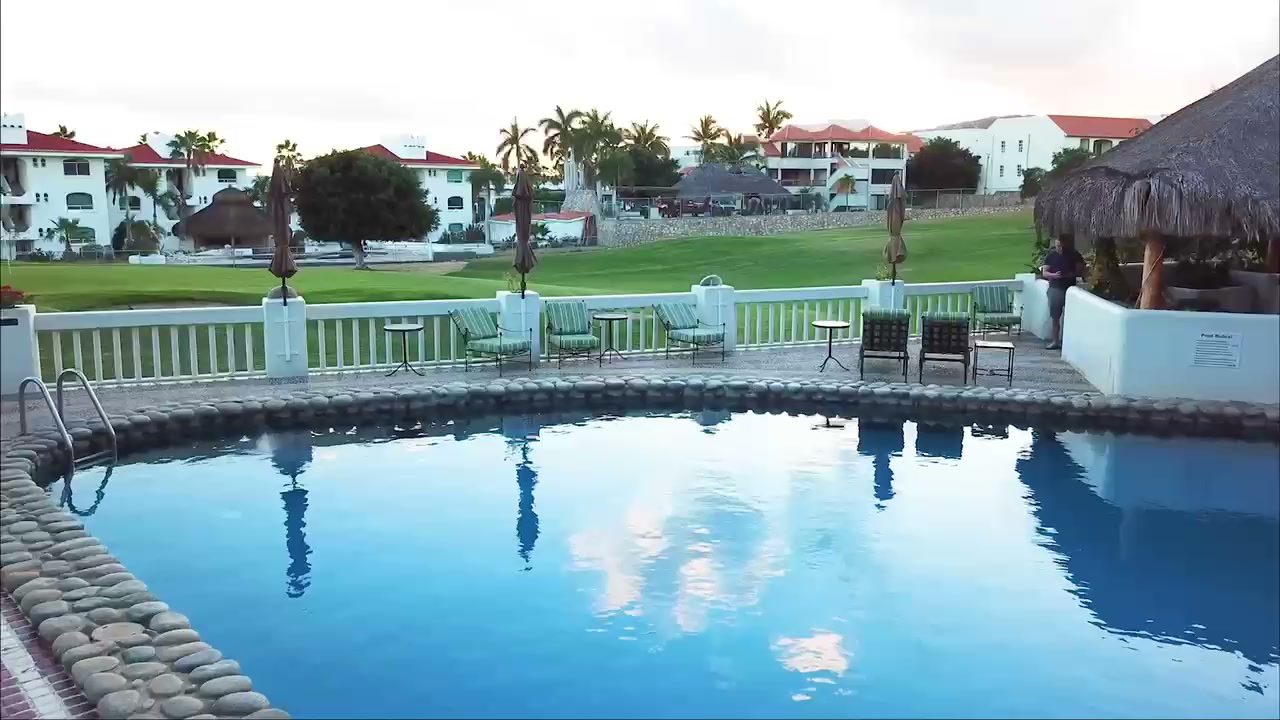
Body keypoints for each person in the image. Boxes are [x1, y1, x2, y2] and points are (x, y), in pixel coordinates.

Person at [1040, 233, 1087, 350]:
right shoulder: (1051, 256)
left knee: (1072, 316)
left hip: (1070, 289)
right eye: (1057, 246)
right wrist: (1054, 275)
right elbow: (1044, 272)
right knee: (1055, 317)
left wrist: (1073, 274)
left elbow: (1081, 269)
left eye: (1061, 246)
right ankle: (1055, 341)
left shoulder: (1074, 255)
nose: (1059, 248)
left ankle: (1072, 342)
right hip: (1055, 289)